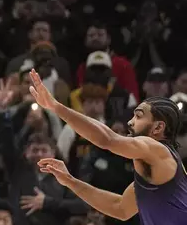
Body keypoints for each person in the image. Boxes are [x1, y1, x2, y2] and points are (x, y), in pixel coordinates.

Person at [29, 69, 187, 224]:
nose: (130, 122)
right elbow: (119, 208)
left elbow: (108, 139)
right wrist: (70, 181)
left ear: (158, 128)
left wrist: (56, 107)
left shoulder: (157, 148)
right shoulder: (156, 169)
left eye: (138, 116)